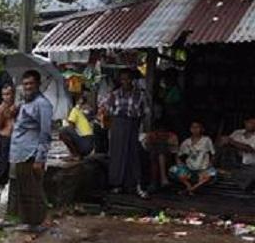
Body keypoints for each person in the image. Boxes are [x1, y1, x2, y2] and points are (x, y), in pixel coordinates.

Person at [7, 70, 53, 232]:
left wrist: (40, 158)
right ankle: (29, 223)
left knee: (34, 190)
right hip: (19, 152)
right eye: (25, 84)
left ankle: (41, 222)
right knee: (24, 190)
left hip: (31, 153)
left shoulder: (43, 104)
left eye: (30, 84)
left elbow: (45, 133)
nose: (27, 87)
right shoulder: (25, 103)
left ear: (38, 84)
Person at [101, 68, 149, 197]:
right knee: (117, 153)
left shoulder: (140, 94)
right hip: (118, 125)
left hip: (133, 124)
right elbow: (106, 109)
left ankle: (133, 184)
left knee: (132, 153)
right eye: (122, 79)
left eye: (127, 78)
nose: (125, 81)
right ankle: (116, 184)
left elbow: (144, 112)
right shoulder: (114, 95)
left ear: (132, 80)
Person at [169, 121, 217, 195]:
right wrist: (179, 163)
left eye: (197, 127)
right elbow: (178, 155)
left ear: (202, 129)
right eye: (193, 127)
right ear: (190, 129)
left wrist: (210, 164)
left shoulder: (206, 140)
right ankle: (189, 186)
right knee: (174, 169)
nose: (195, 129)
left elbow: (213, 153)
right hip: (189, 168)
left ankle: (192, 189)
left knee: (212, 172)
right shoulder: (186, 142)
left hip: (203, 168)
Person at [141, 118, 179, 189]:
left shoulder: (172, 137)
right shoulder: (150, 136)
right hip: (152, 157)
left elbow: (175, 152)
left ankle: (160, 179)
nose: (161, 134)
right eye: (159, 131)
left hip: (167, 158)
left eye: (163, 131)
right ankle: (161, 179)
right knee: (156, 153)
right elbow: (146, 149)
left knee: (161, 148)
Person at [58, 92, 95, 161]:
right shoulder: (81, 111)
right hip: (89, 143)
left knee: (62, 131)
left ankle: (75, 155)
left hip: (85, 143)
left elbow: (71, 126)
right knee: (65, 131)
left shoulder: (75, 110)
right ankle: (75, 154)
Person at [0, 84, 17, 185]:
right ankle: (2, 183)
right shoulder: (0, 108)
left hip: (16, 138)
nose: (6, 97)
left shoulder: (18, 107)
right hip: (5, 137)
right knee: (3, 163)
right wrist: (3, 115)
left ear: (13, 95)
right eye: (4, 94)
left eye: (8, 94)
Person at [227, 115, 255, 194]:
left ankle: (246, 188)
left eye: (254, 123)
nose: (253, 125)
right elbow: (226, 143)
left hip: (251, 165)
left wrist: (232, 142)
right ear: (245, 122)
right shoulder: (237, 132)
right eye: (251, 122)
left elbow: (249, 149)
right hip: (235, 163)